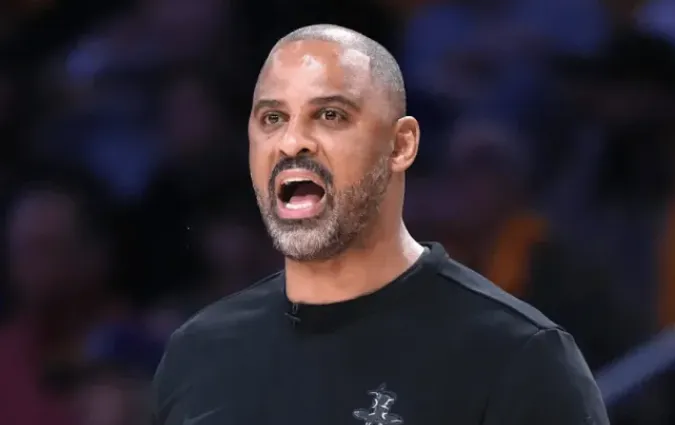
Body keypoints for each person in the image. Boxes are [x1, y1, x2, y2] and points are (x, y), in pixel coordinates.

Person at [151, 24, 609, 425]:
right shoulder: (198, 352)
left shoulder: (519, 356)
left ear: (401, 145)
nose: (292, 142)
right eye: (272, 118)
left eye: (330, 115)